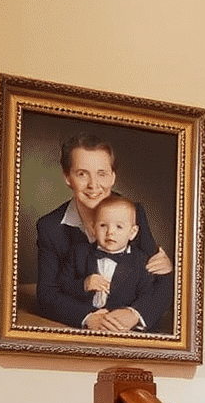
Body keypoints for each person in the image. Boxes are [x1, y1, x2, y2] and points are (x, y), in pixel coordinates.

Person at [35, 129, 172, 328]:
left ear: (113, 177)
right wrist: (88, 318)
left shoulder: (133, 213)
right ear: (67, 178)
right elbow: (47, 295)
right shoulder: (50, 227)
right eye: (82, 174)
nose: (93, 185)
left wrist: (135, 313)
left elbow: (162, 283)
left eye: (102, 174)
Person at [62, 194, 172, 333]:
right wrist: (84, 284)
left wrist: (132, 314)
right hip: (88, 328)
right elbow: (63, 286)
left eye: (119, 227)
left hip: (125, 329)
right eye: (103, 225)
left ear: (132, 232)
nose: (110, 232)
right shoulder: (79, 253)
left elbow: (148, 295)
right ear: (93, 228)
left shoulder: (141, 261)